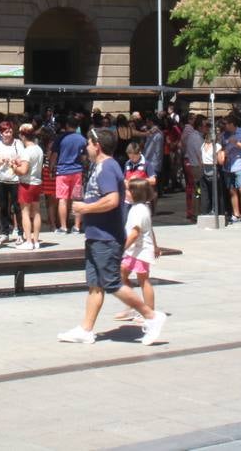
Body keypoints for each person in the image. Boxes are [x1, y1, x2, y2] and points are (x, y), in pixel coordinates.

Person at [57, 129, 166, 345]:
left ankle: (152, 316)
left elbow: (113, 200)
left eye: (88, 142)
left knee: (112, 283)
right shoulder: (100, 166)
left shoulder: (107, 166)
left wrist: (84, 209)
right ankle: (86, 329)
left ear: (97, 145)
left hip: (107, 238)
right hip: (96, 235)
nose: (85, 147)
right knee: (95, 284)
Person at [115, 178, 159, 323]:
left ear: (136, 193)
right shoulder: (139, 208)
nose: (125, 193)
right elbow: (150, 230)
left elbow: (135, 233)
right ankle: (134, 305)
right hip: (134, 251)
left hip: (140, 251)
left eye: (128, 190)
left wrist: (122, 248)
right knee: (122, 274)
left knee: (143, 280)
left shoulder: (139, 210)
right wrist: (156, 245)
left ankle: (149, 311)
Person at [12, 123, 45, 250]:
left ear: (22, 136)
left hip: (26, 184)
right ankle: (36, 241)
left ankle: (28, 241)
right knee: (36, 212)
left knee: (25, 213)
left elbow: (23, 171)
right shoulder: (38, 149)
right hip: (37, 183)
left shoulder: (26, 151)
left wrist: (14, 167)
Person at [54, 115, 87, 234]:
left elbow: (54, 155)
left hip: (62, 171)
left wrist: (53, 167)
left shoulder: (60, 138)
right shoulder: (82, 139)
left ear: (67, 125)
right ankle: (77, 227)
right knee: (77, 198)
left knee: (62, 199)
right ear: (77, 126)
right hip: (77, 171)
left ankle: (63, 227)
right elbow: (84, 157)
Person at [0, 121, 22, 243]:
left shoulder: (18, 143)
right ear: (1, 133)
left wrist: (13, 161)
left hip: (15, 179)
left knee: (17, 207)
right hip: (1, 179)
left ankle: (20, 232)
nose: (8, 134)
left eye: (10, 131)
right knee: (2, 207)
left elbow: (21, 158)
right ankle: (5, 232)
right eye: (6, 132)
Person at [219, 117, 241, 224]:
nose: (224, 126)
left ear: (232, 124)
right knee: (232, 191)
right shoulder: (223, 135)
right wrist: (223, 153)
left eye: (226, 124)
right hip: (228, 166)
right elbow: (222, 149)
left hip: (240, 164)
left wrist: (237, 143)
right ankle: (236, 214)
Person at [180, 113, 206, 220]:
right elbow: (200, 154)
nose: (208, 128)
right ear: (200, 126)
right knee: (197, 190)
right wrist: (203, 166)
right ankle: (195, 211)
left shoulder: (195, 136)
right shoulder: (196, 137)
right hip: (195, 166)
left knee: (195, 190)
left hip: (193, 164)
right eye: (206, 125)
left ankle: (194, 211)